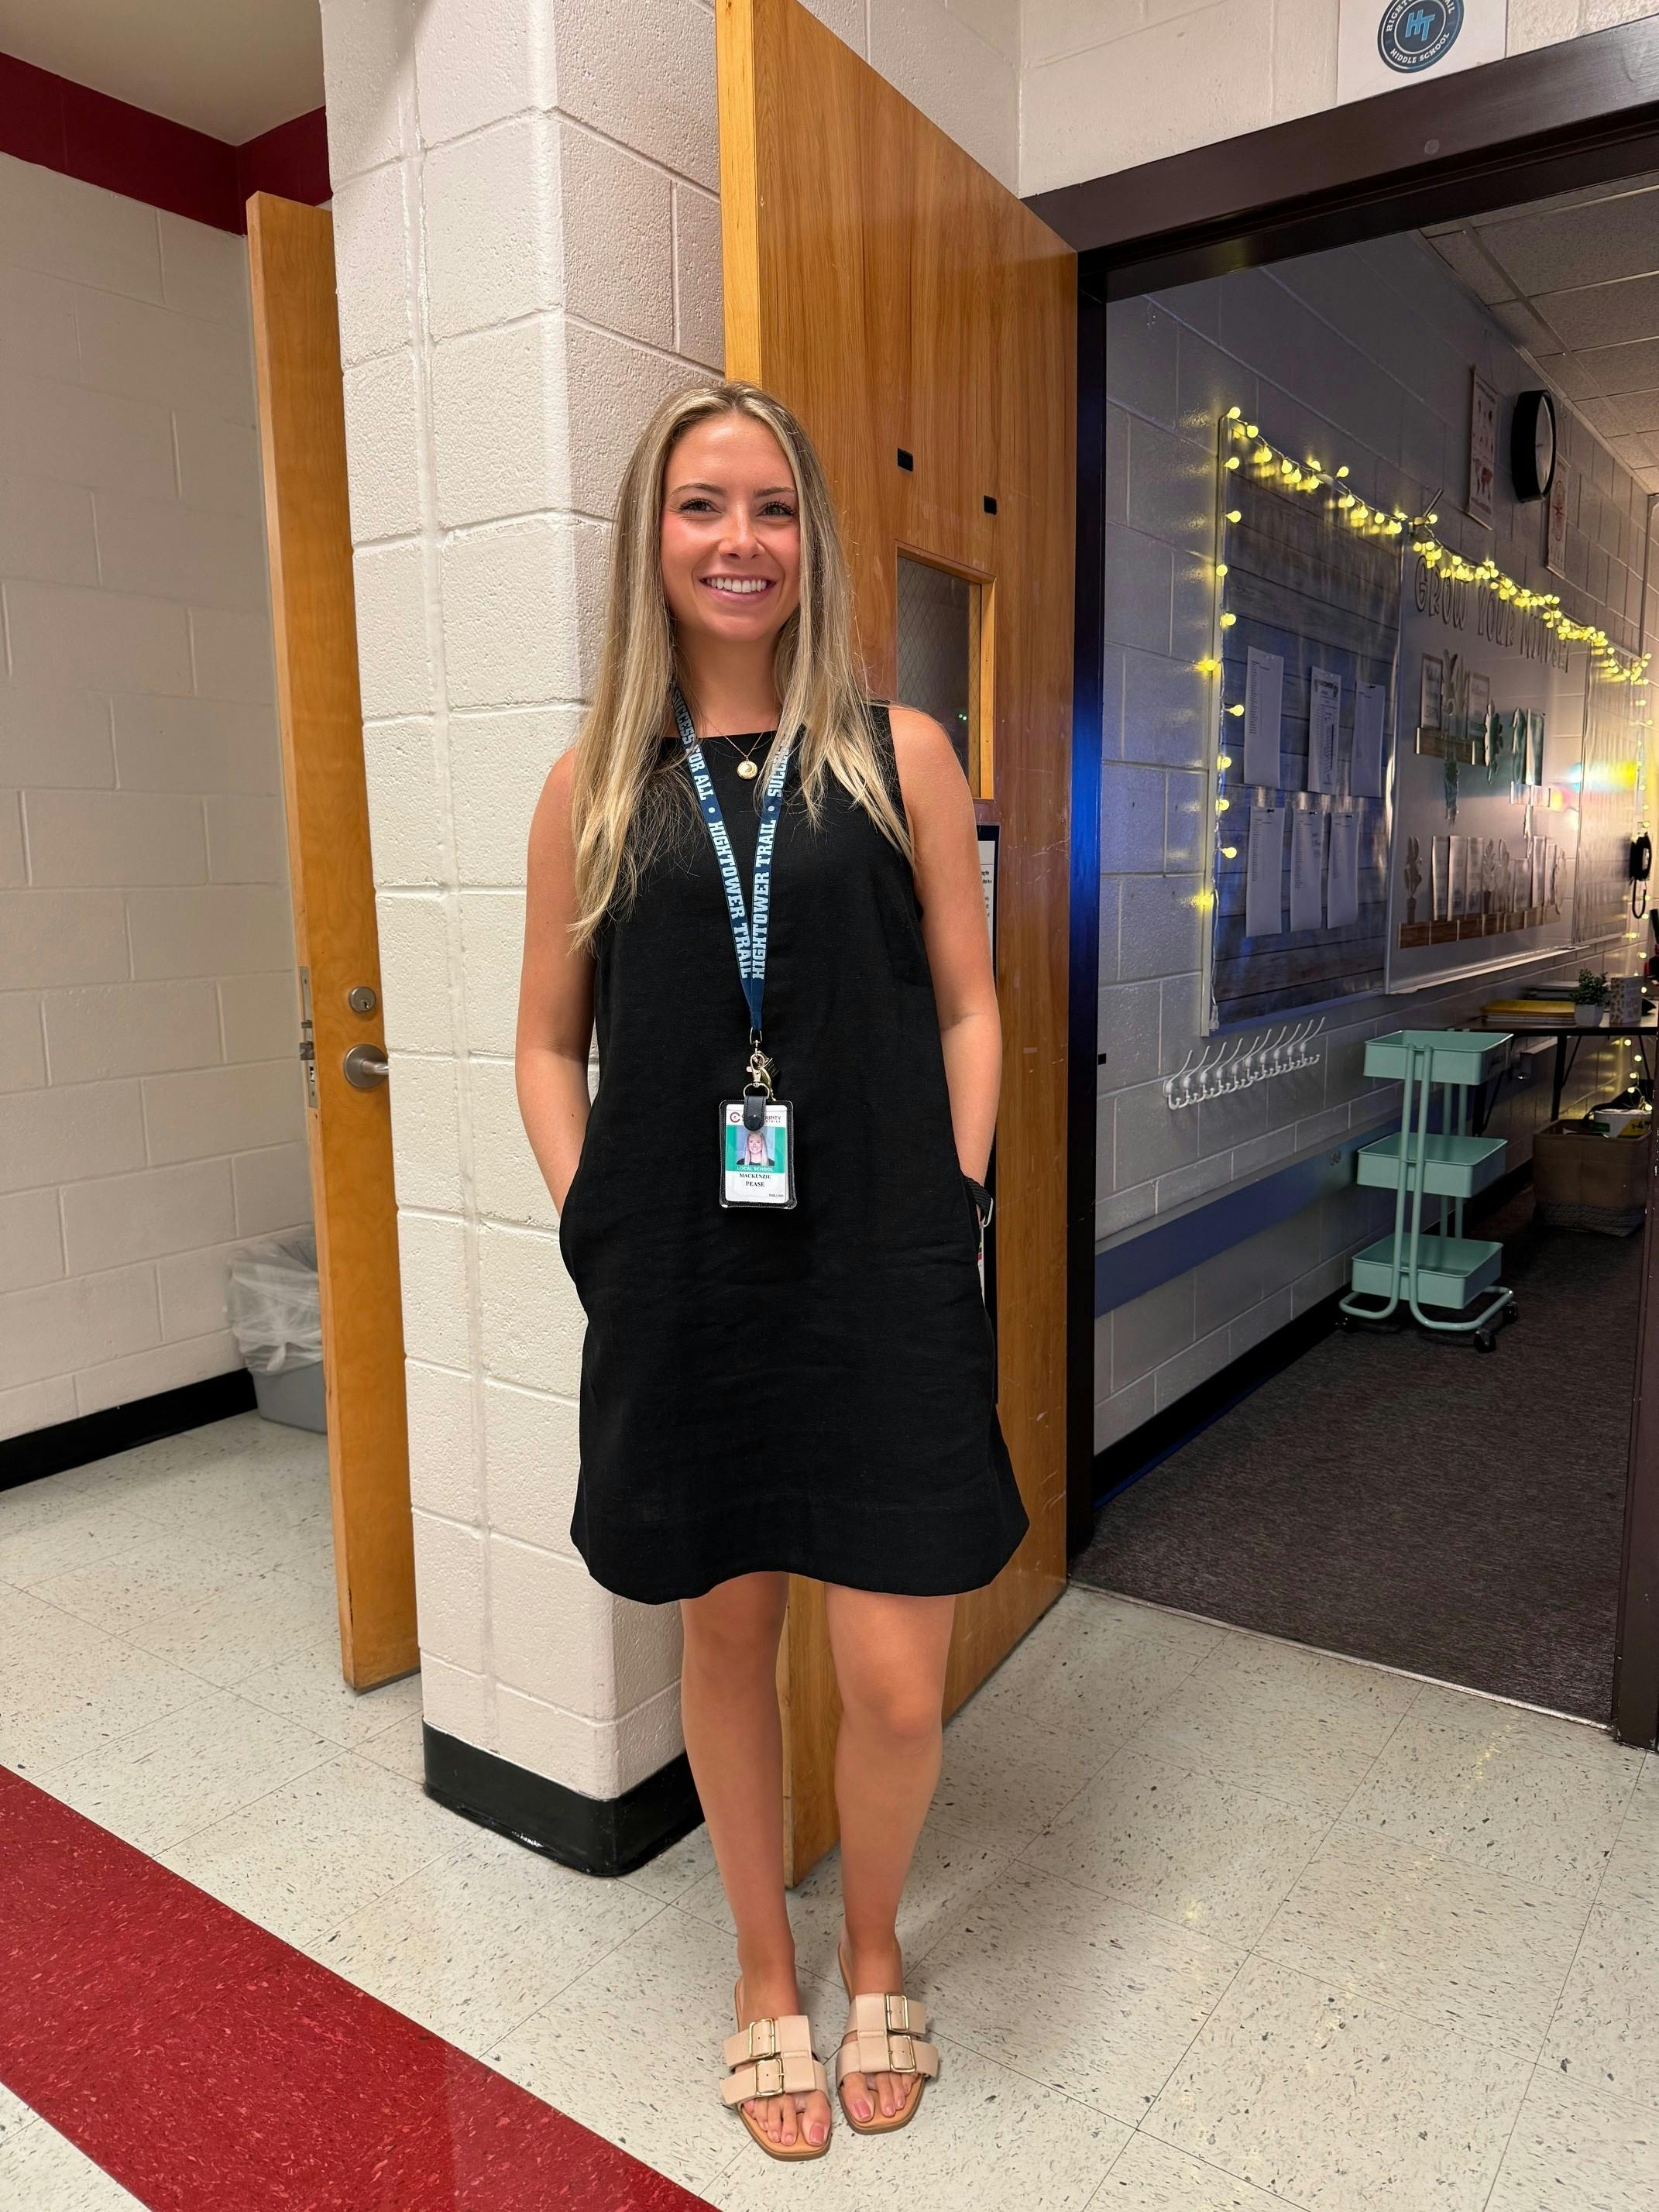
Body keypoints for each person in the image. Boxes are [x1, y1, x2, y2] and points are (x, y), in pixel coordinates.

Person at [514, 379, 1028, 2162]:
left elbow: (969, 1001)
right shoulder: (592, 788)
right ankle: (761, 1969)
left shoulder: (906, 753)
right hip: (687, 1291)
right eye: (702, 509)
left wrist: (949, 1207)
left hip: (880, 1275)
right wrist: (603, 1233)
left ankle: (873, 1940)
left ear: (812, 542)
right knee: (725, 1637)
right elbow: (541, 1048)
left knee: (893, 1674)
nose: (742, 544)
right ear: (650, 545)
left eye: (774, 510)